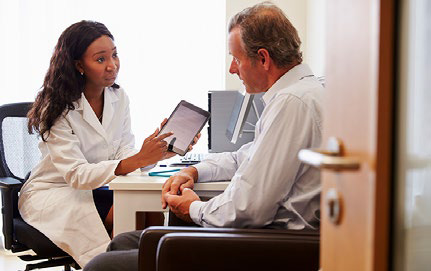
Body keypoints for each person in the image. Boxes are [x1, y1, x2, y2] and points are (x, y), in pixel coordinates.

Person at [84, 2, 323, 271]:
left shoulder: (292, 103)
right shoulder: (298, 95)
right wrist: (194, 171)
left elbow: (248, 209)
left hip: (270, 245)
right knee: (123, 242)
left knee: (101, 266)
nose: (233, 69)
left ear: (264, 58)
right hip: (267, 236)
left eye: (236, 59)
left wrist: (194, 208)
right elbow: (241, 157)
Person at [18, 20, 177, 268]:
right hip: (56, 191)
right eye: (100, 59)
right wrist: (137, 159)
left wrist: (155, 153)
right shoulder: (57, 107)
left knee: (148, 208)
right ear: (79, 65)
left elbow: (123, 150)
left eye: (114, 55)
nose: (112, 65)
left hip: (97, 186)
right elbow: (76, 175)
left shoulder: (118, 96)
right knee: (123, 214)